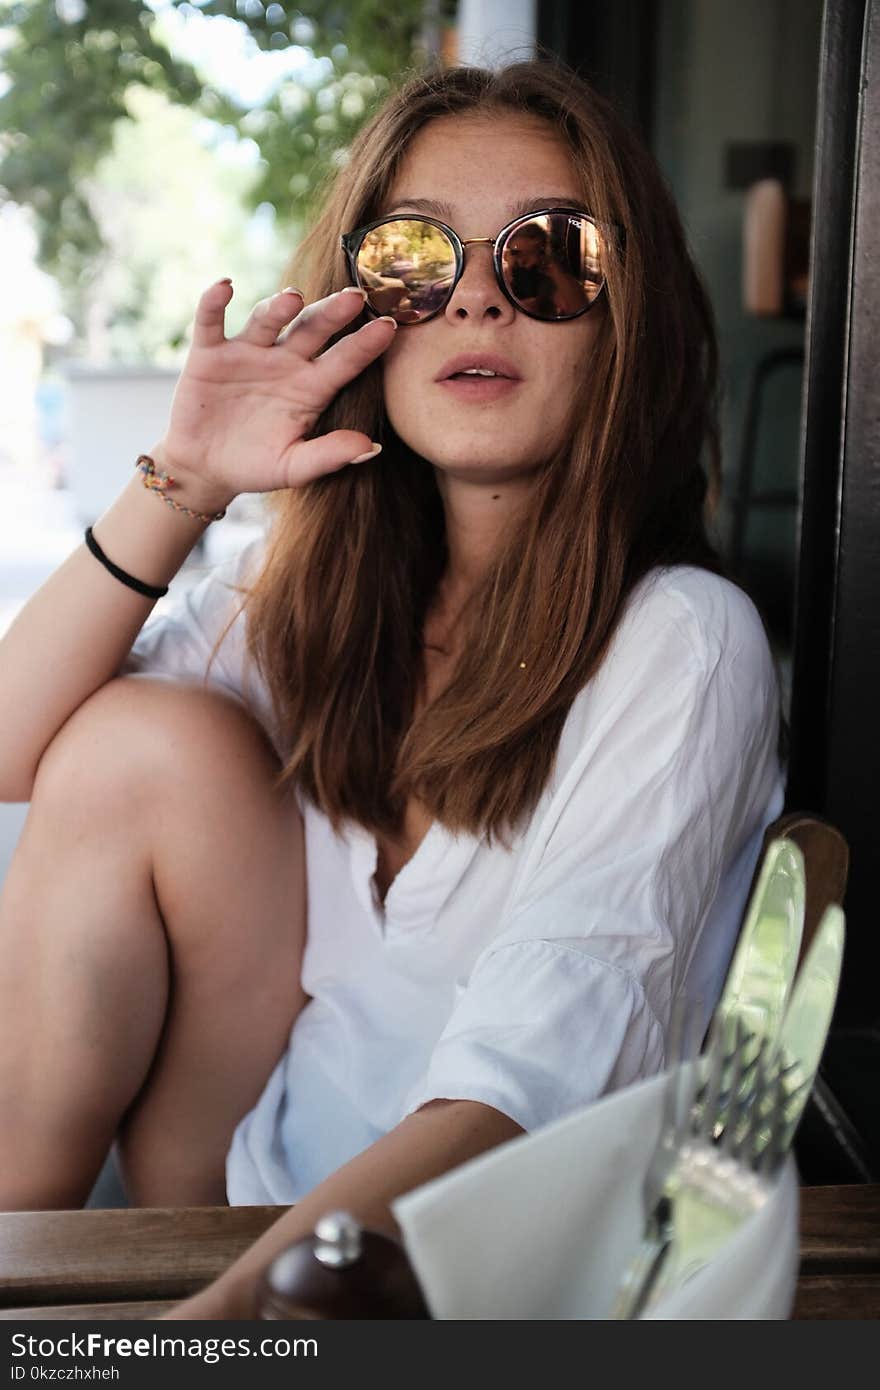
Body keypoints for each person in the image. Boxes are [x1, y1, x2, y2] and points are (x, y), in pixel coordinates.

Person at [0, 58, 783, 1319]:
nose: (477, 297)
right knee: (138, 741)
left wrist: (215, 1335)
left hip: (462, 1284)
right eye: (417, 257)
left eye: (548, 257)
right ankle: (17, 1265)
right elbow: (14, 751)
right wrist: (184, 484)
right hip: (223, 1205)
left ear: (625, 310)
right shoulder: (301, 592)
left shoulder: (684, 644)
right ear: (364, 305)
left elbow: (525, 1082)